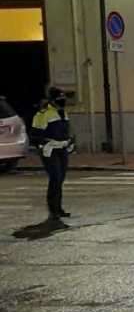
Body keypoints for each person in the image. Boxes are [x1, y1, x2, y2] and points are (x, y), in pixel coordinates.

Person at [30, 87, 73, 220]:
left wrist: (70, 141)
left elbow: (66, 130)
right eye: (59, 99)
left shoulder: (62, 112)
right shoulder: (43, 114)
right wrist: (44, 144)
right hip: (50, 150)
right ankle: (53, 209)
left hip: (62, 149)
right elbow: (35, 134)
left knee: (60, 179)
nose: (62, 101)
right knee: (55, 178)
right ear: (53, 100)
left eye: (63, 99)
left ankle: (58, 208)